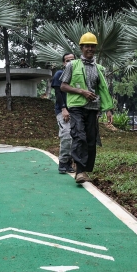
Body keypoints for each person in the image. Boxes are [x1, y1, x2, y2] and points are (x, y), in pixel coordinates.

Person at [60, 32, 114, 184]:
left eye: (92, 46)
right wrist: (81, 92)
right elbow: (63, 86)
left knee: (91, 139)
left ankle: (84, 169)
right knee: (79, 136)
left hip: (93, 108)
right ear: (81, 48)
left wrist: (108, 109)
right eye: (87, 46)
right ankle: (80, 171)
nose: (89, 48)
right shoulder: (72, 65)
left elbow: (103, 90)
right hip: (76, 106)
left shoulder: (99, 68)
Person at [52, 52, 75, 174]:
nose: (70, 62)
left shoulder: (77, 76)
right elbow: (58, 92)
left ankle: (69, 163)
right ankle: (63, 162)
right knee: (66, 135)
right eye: (67, 60)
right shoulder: (59, 74)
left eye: (72, 60)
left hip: (76, 111)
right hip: (63, 111)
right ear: (63, 63)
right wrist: (63, 108)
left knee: (75, 137)